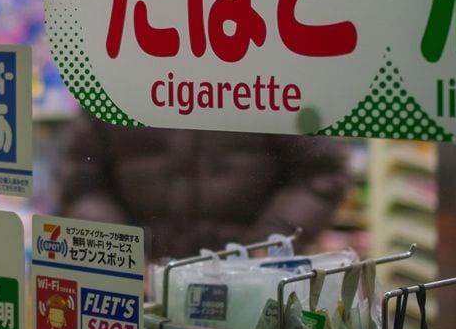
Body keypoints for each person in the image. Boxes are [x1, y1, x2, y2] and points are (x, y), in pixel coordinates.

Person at [55, 111, 351, 260]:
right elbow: (81, 183)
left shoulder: (269, 70)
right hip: (142, 289)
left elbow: (320, 172)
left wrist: (264, 248)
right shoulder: (114, 75)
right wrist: (124, 256)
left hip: (252, 288)